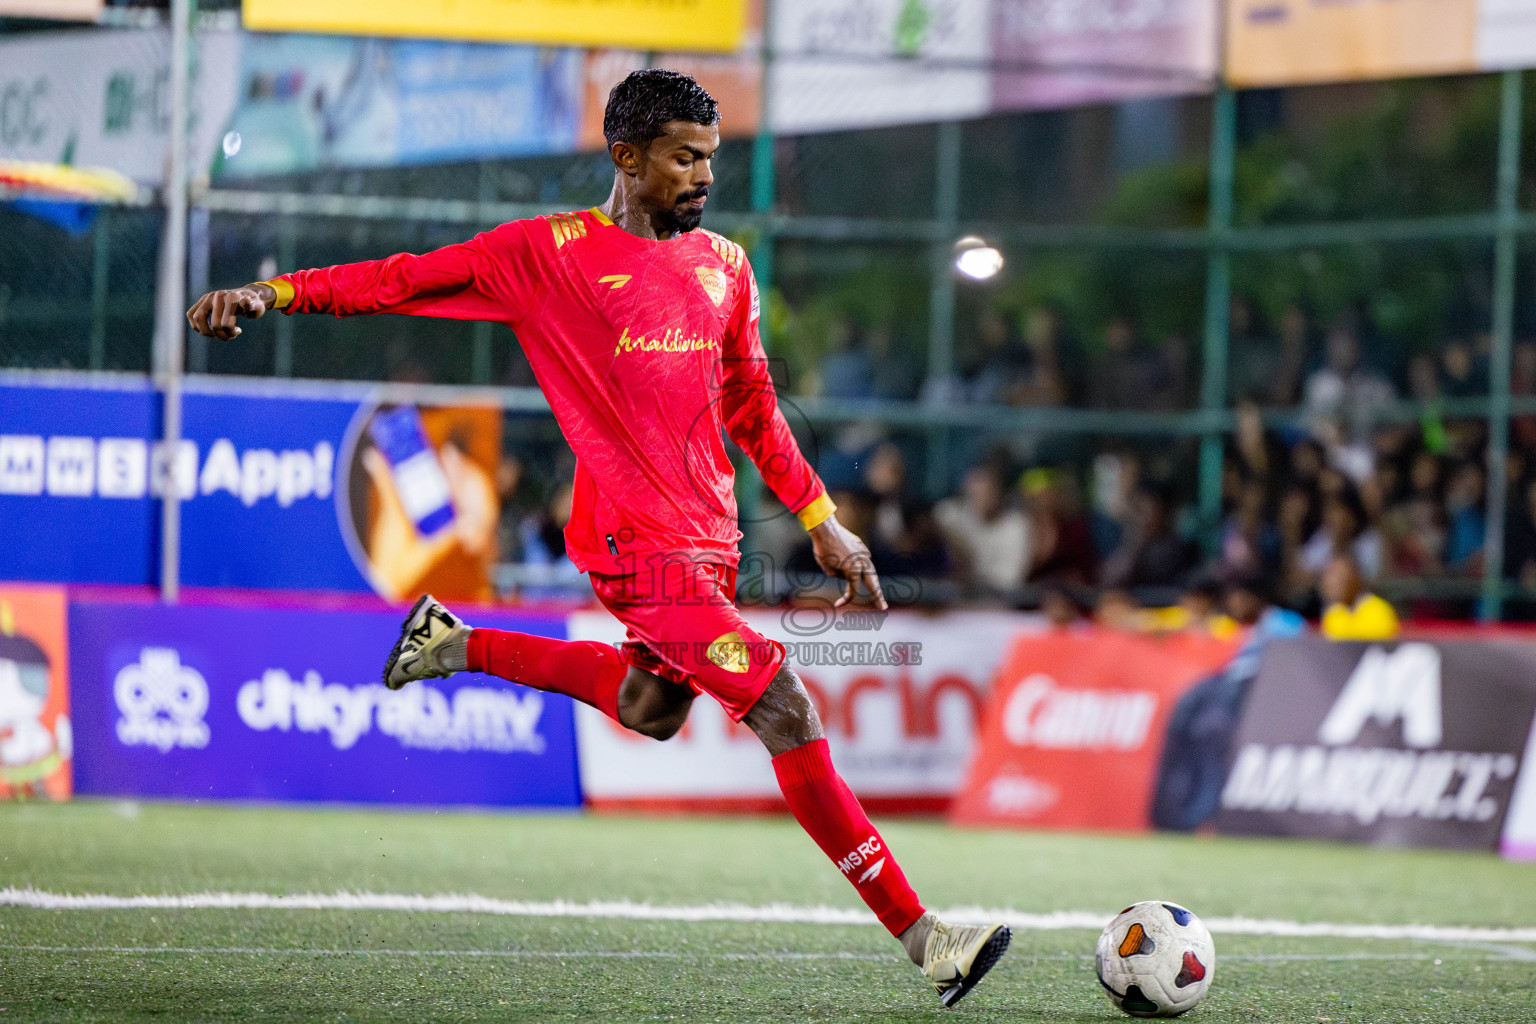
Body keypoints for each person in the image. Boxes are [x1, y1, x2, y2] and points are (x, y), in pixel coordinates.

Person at [185, 69, 1009, 1007]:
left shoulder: (726, 268)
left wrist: (822, 521)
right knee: (786, 706)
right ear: (627, 157)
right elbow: (401, 279)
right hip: (634, 550)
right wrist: (275, 293)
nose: (703, 175)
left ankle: (454, 642)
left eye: (710, 157)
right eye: (683, 158)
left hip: (708, 544)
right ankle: (925, 936)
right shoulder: (546, 255)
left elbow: (755, 410)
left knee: (649, 709)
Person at [1318, 553, 1400, 641]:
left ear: (1356, 578)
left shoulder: (1379, 611)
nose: (1333, 582)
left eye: (1341, 576)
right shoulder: (1332, 615)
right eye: (1330, 576)